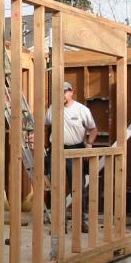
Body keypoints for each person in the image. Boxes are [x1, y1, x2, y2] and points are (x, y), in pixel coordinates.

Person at [45, 82, 98, 229]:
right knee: (56, 188)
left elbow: (93, 130)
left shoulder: (82, 110)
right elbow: (46, 127)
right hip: (56, 151)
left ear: (71, 92)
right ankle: (59, 224)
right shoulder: (53, 109)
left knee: (78, 188)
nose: (61, 95)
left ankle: (80, 222)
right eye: (59, 92)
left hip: (75, 151)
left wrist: (89, 144)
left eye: (64, 92)